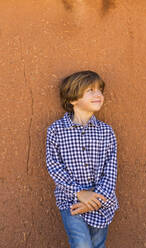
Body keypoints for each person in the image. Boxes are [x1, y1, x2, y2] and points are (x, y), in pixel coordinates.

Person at [46, 70, 119, 248]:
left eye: (100, 90)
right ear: (73, 99)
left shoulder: (106, 132)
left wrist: (96, 199)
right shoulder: (56, 130)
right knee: (82, 244)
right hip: (71, 201)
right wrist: (79, 193)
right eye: (90, 90)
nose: (98, 95)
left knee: (97, 245)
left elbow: (111, 168)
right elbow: (53, 165)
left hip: (101, 201)